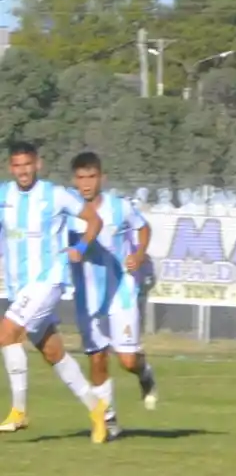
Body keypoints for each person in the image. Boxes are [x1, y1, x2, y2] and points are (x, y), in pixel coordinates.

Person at [0, 141, 108, 441]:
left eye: (27, 164)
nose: (22, 170)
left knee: (6, 333)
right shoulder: (3, 196)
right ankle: (96, 408)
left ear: (38, 164)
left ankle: (19, 411)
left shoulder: (55, 195)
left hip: (49, 280)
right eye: (17, 165)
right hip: (19, 287)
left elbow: (93, 220)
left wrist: (82, 246)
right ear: (11, 168)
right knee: (53, 352)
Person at [70, 151, 159, 440]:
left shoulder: (120, 208)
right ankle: (109, 421)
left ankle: (145, 373)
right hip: (88, 297)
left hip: (121, 292)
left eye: (91, 176)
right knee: (97, 359)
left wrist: (138, 253)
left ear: (101, 178)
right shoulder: (68, 212)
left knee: (127, 360)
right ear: (75, 180)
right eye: (81, 177)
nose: (86, 183)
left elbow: (144, 228)